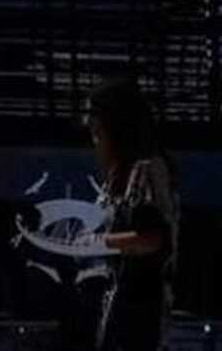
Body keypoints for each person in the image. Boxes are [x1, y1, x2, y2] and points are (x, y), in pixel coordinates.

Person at [85, 76, 179, 351]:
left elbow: (152, 238)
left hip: (144, 317)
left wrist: (99, 242)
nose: (95, 142)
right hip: (119, 312)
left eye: (98, 133)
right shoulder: (118, 176)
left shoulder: (147, 169)